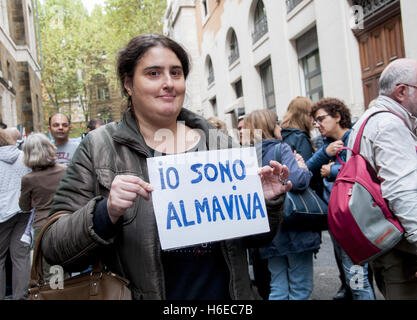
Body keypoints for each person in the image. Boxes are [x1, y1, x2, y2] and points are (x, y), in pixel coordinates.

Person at [40, 34, 291, 300]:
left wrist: (265, 204)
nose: (168, 83)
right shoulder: (98, 147)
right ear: (128, 84)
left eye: (176, 73)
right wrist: (106, 212)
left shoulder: (220, 144)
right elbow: (54, 248)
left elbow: (254, 241)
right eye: (153, 73)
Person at [347, 58, 417, 300]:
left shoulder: (368, 119)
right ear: (402, 91)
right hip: (403, 250)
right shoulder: (390, 125)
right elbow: (403, 190)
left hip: (382, 240)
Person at [243, 109, 317, 300]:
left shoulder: (246, 156)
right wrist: (303, 168)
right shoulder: (280, 148)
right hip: (293, 228)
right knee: (300, 286)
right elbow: (297, 181)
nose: (280, 127)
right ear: (269, 126)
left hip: (267, 231)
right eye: (276, 123)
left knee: (277, 286)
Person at [305, 97, 375, 300]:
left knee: (357, 277)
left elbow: (365, 171)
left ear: (337, 116)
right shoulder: (327, 144)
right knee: (353, 273)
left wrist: (333, 169)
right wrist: (325, 154)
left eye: (321, 119)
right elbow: (308, 168)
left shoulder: (355, 138)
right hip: (338, 218)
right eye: (315, 122)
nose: (318, 125)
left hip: (354, 218)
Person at [0, 129, 31, 300]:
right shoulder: (22, 156)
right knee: (20, 256)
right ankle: (22, 296)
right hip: (23, 210)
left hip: (2, 214)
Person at [19, 133, 66, 242]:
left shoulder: (28, 179)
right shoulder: (65, 170)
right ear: (50, 148)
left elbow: (24, 207)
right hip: (65, 220)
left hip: (42, 225)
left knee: (42, 258)